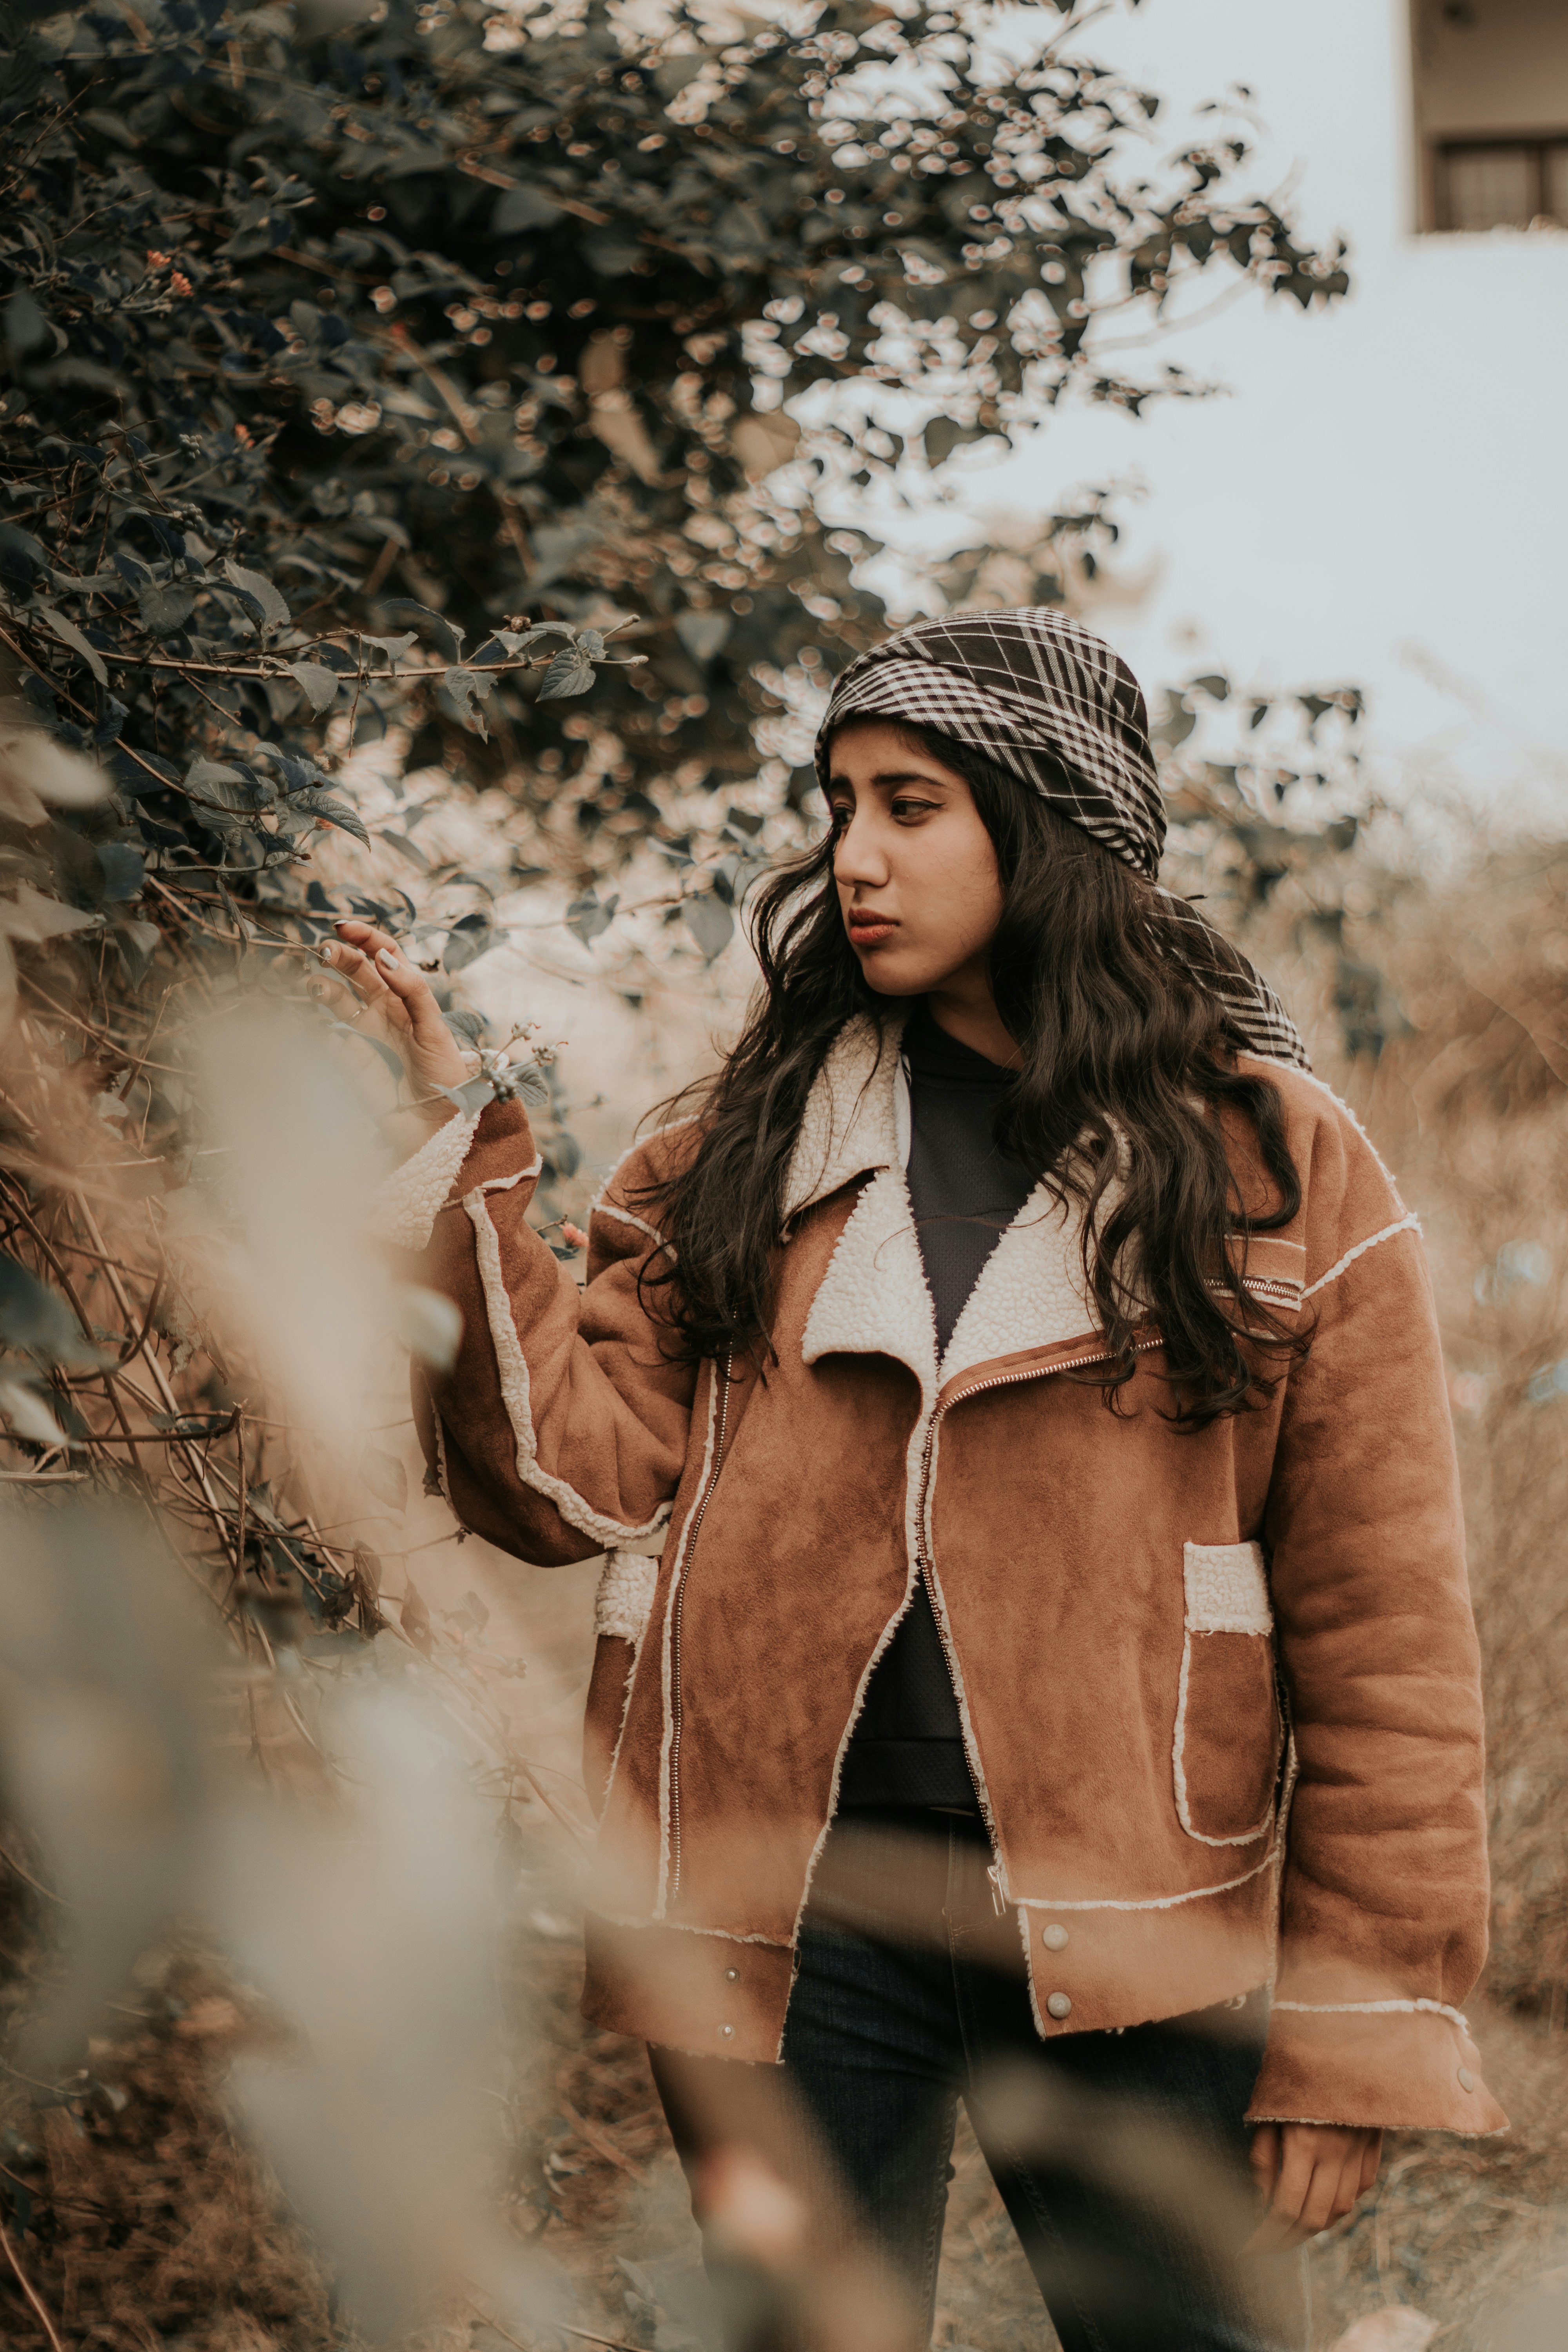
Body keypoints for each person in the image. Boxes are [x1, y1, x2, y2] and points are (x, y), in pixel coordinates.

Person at [335, 608, 1503, 2351]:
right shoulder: (733, 1147)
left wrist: (1357, 2031)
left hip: (1145, 1938)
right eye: (836, 807)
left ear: (1049, 829)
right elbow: (563, 1491)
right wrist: (461, 1159)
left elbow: (1388, 1639)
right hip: (780, 1925)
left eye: (909, 805)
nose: (851, 859)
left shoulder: (1270, 1164)